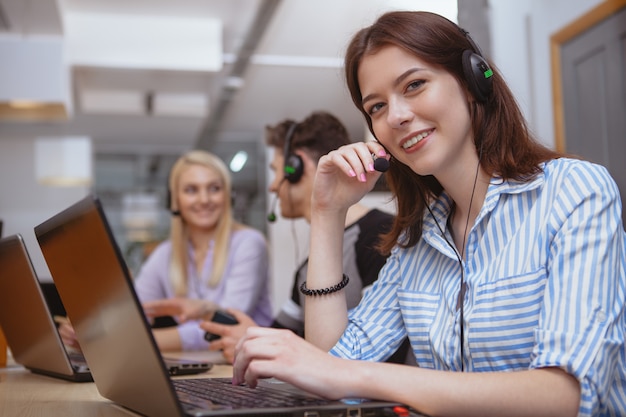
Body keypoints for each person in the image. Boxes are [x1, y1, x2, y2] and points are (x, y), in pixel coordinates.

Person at [231, 11, 626, 417]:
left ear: (473, 81)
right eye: (377, 106)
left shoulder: (574, 191)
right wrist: (328, 213)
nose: (397, 116)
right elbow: (332, 365)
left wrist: (356, 377)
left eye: (414, 85)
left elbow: (566, 396)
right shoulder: (418, 238)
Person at [198, 111, 407, 363]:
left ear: (295, 167)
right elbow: (283, 334)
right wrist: (253, 338)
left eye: (276, 171)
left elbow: (378, 352)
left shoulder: (382, 235)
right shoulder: (308, 270)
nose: (273, 186)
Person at [59, 150, 273, 352]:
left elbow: (225, 328)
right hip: (205, 365)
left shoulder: (249, 243)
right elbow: (136, 311)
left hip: (247, 367)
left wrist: (118, 343)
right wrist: (91, 328)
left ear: (228, 196)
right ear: (175, 200)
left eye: (214, 188)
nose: (204, 199)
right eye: (191, 190)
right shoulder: (165, 254)